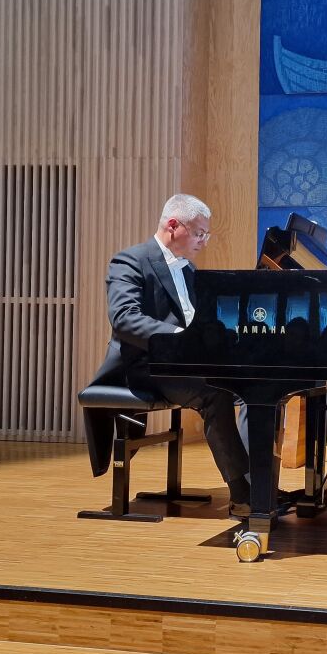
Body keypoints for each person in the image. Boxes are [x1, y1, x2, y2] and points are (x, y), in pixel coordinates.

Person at [84, 193, 251, 517]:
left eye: (207, 234)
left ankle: (257, 481)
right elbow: (124, 318)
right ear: (173, 225)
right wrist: (179, 338)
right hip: (146, 365)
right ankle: (244, 496)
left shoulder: (188, 269)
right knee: (215, 394)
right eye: (200, 232)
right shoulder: (130, 261)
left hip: (181, 364)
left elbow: (198, 321)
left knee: (248, 387)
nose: (204, 240)